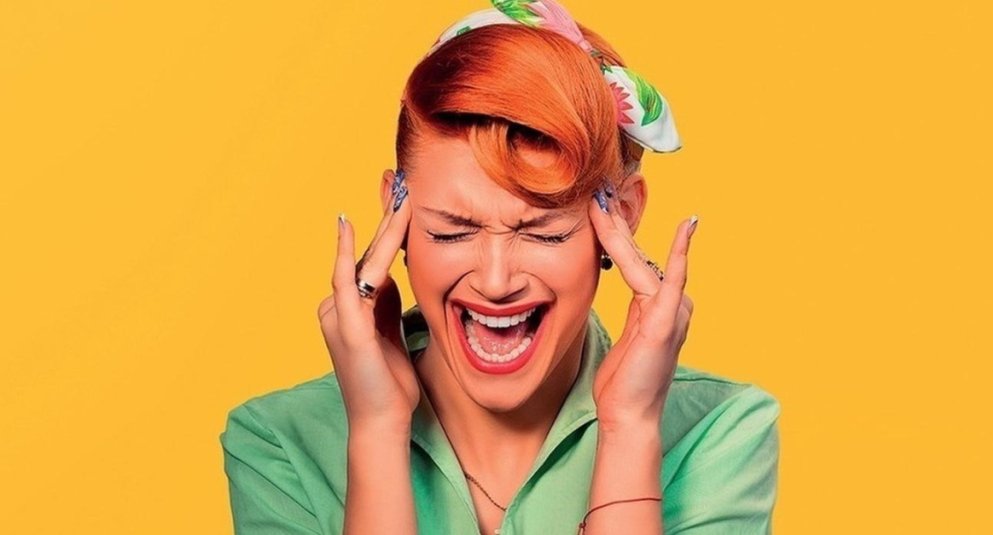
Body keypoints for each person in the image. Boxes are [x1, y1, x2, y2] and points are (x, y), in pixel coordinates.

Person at [220, 1, 780, 534]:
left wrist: (630, 430)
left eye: (543, 233)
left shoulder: (721, 432)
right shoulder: (279, 444)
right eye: (452, 231)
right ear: (397, 215)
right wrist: (376, 432)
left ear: (623, 217)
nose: (495, 281)